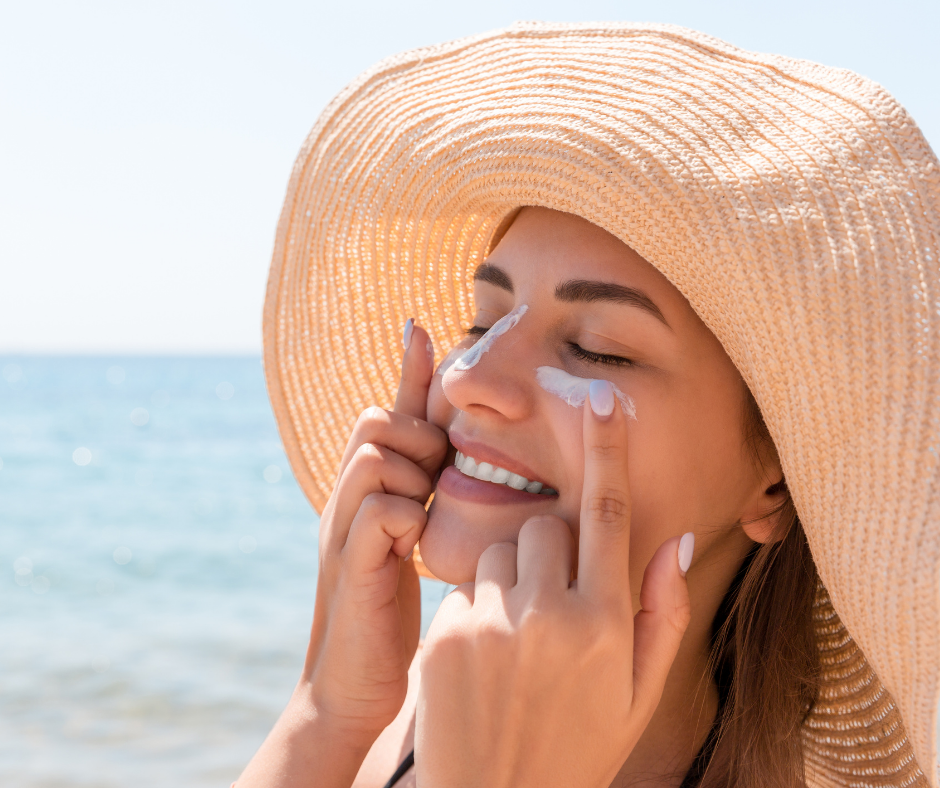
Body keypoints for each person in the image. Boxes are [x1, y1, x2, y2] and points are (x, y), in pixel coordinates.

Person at [237, 22, 940, 788]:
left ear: (775, 480)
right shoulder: (430, 698)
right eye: (481, 322)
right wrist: (327, 711)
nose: (469, 375)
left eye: (599, 349)